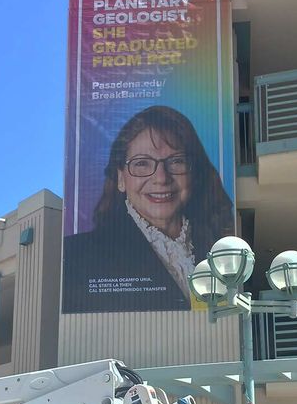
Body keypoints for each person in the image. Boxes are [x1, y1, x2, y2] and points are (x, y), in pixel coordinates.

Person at [62, 105, 234, 312]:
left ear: (194, 173)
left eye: (176, 161)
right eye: (142, 163)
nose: (161, 178)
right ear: (120, 179)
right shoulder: (75, 257)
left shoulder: (225, 248)